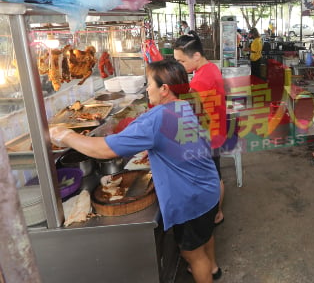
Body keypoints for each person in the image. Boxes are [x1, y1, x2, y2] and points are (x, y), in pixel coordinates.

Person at [49, 59, 222, 282]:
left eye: (149, 83)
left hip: (190, 198)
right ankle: (213, 268)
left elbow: (105, 150)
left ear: (165, 88)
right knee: (205, 236)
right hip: (208, 189)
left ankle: (205, 269)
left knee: (192, 254)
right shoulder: (186, 105)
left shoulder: (158, 118)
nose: (147, 88)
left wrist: (66, 135)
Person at [174, 31, 227, 226]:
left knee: (213, 177)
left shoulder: (199, 80)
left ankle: (217, 213)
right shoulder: (211, 68)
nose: (179, 65)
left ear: (196, 56)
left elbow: (190, 112)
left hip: (208, 135)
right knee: (215, 174)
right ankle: (217, 209)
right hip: (217, 129)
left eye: (181, 61)